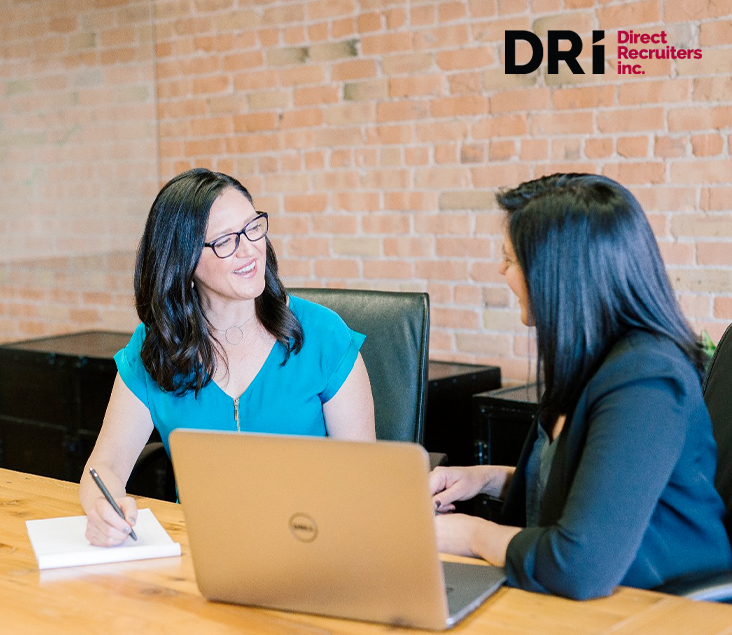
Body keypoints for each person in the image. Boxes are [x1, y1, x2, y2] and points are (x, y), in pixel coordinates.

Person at [430, 173, 732, 600]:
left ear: (558, 275)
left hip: (662, 607)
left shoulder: (646, 380)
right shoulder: (590, 361)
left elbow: (578, 565)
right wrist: (486, 479)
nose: (500, 270)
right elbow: (588, 488)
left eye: (510, 259)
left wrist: (471, 535)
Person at [80, 168, 375, 546]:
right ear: (183, 262)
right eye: (225, 241)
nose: (250, 248)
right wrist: (102, 510)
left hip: (313, 544)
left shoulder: (323, 335)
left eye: (253, 227)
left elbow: (365, 479)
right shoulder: (154, 349)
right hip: (201, 550)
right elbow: (104, 466)